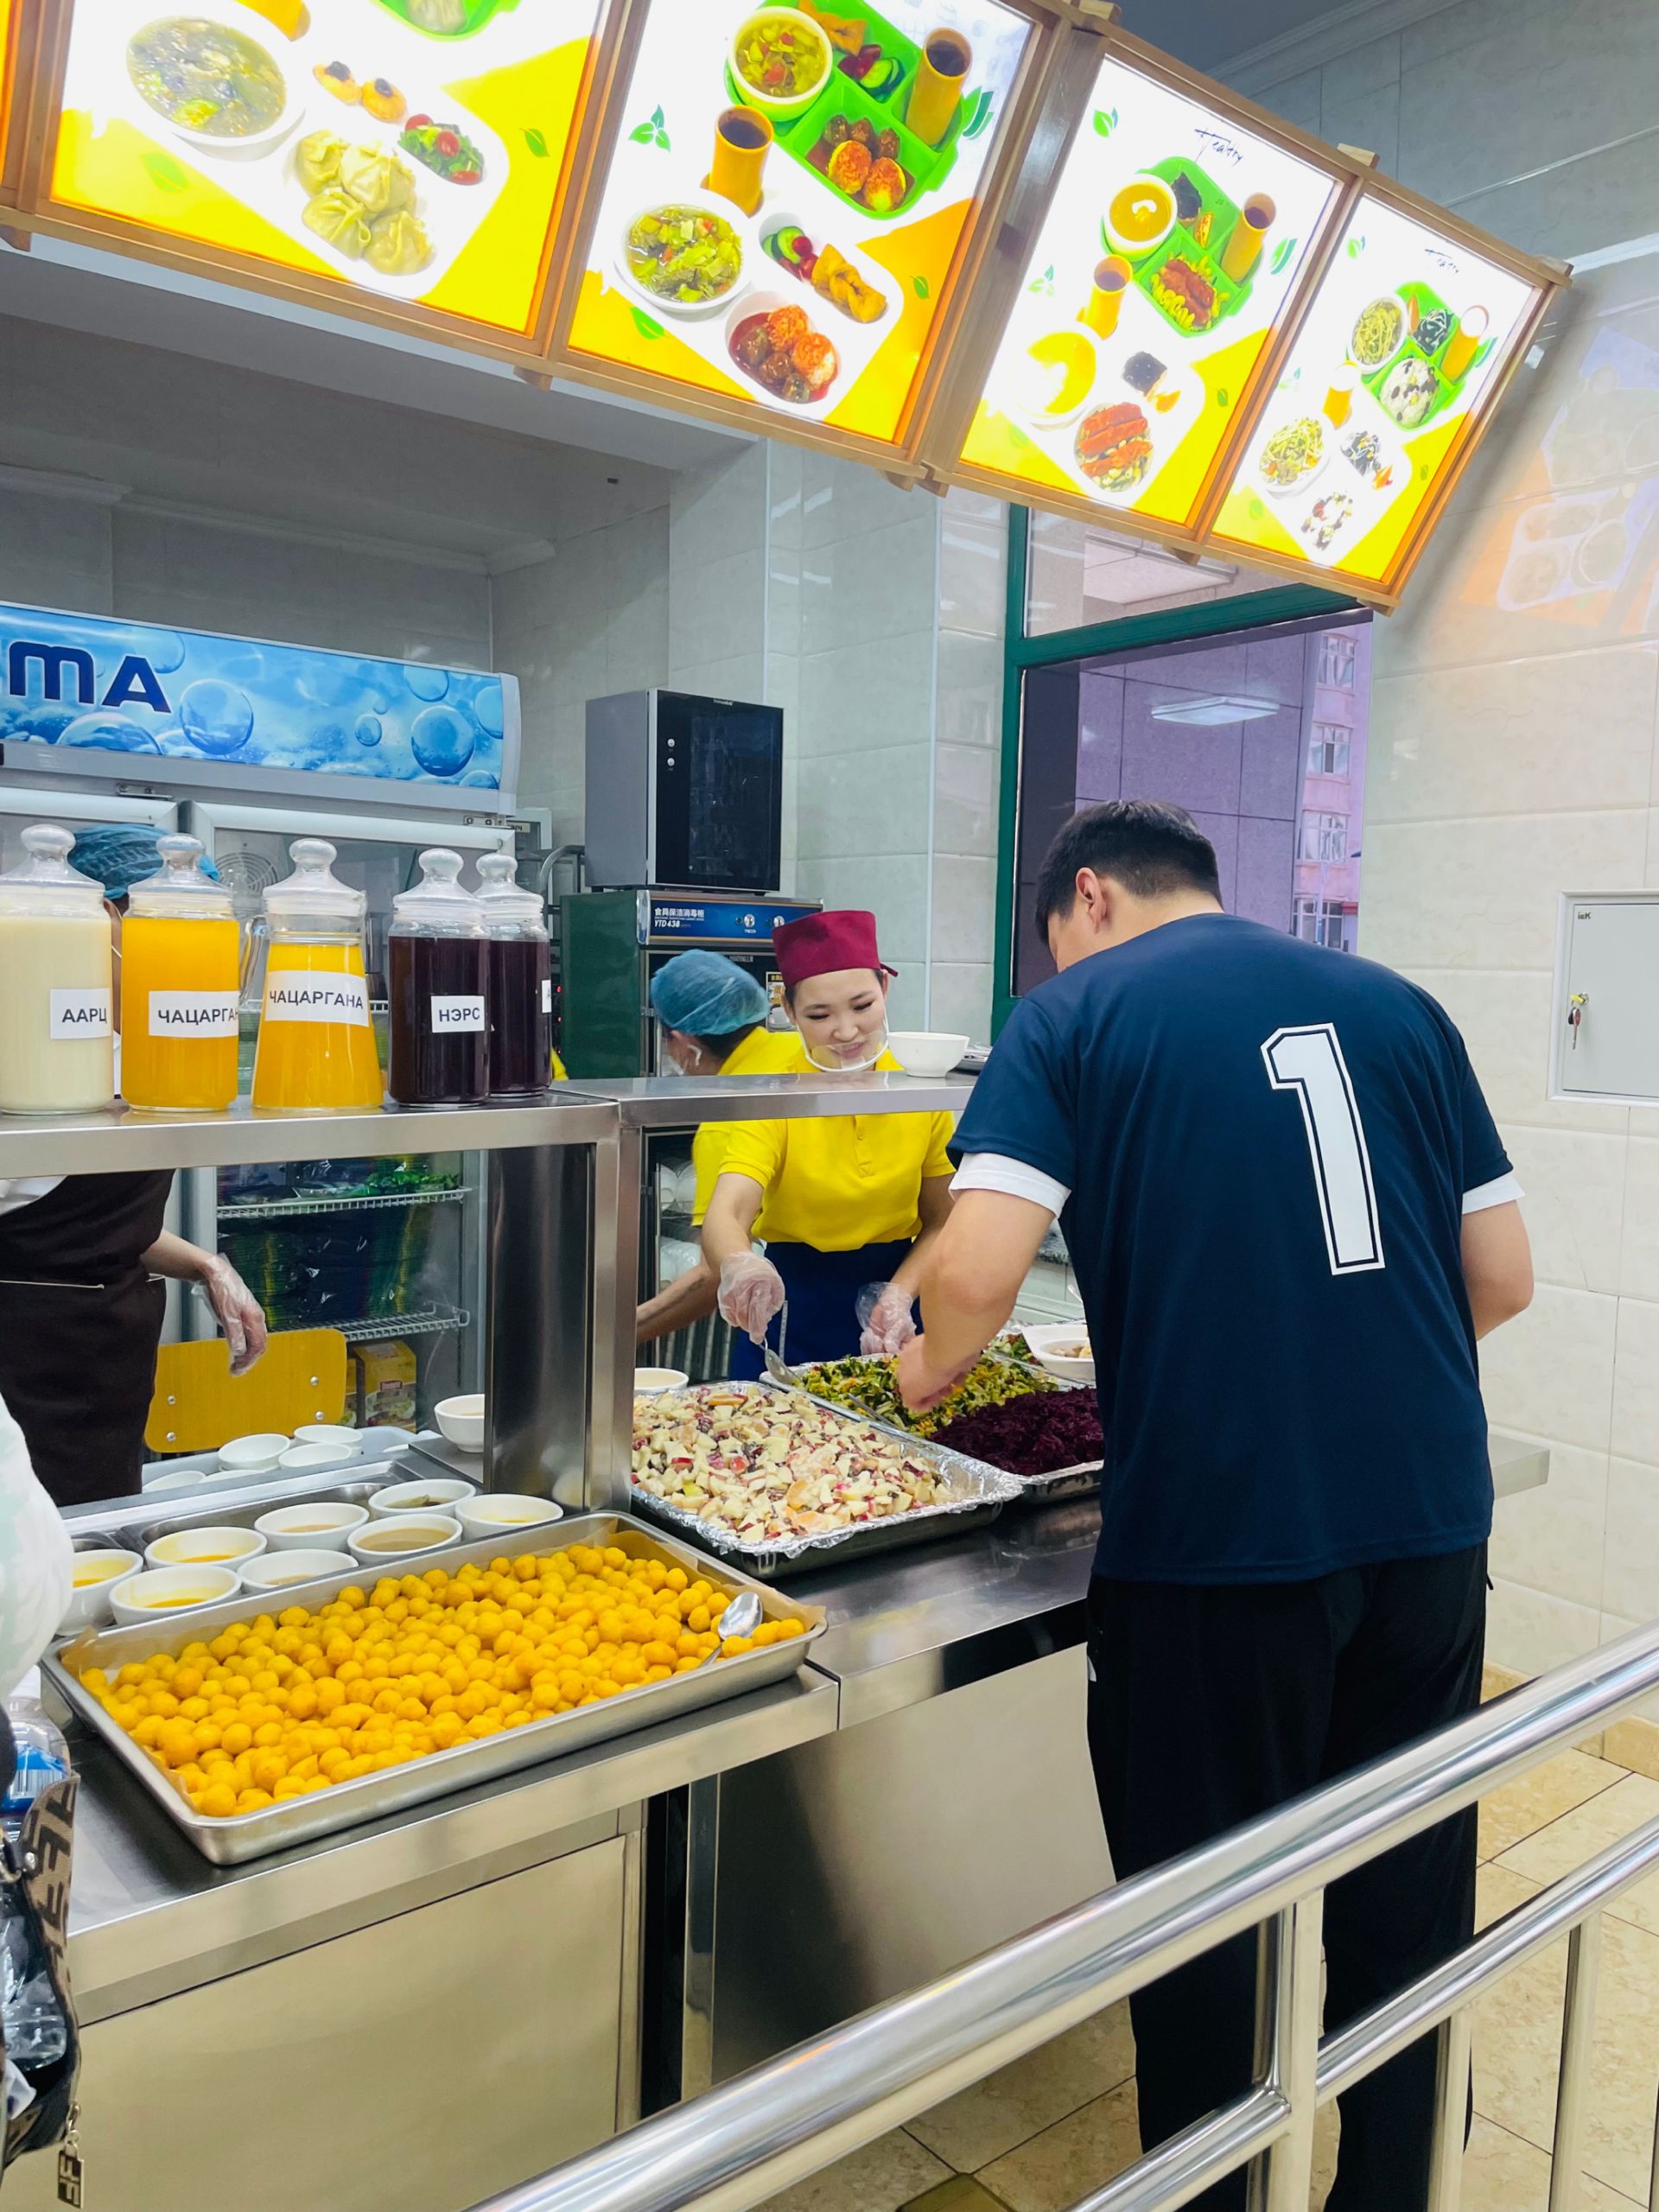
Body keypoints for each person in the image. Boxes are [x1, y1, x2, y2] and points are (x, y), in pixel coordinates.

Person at [897, 800, 1533, 2212]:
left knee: (1206, 1928)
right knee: (1405, 1900)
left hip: (1220, 1549)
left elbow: (979, 1273)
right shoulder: (1402, 1007)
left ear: (1088, 899)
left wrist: (926, 1369)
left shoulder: (1071, 1017)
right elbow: (1503, 1278)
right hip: (1433, 1525)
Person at [0, 826, 268, 1509]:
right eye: (174, 923)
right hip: (25, 1368)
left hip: (106, 1361)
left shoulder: (150, 1057)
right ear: (106, 920)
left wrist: (207, 1266)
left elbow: (80, 1222)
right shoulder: (27, 1051)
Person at [704, 911, 957, 1376]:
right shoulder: (779, 1092)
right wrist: (740, 1263)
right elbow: (728, 1212)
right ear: (788, 1010)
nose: (845, 1031)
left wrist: (900, 1294)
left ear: (885, 988)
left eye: (862, 1006)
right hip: (794, 1303)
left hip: (897, 1300)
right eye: (820, 1015)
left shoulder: (915, 1086)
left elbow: (943, 1218)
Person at [636, 950, 806, 1348]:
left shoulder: (727, 1119)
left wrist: (619, 1333)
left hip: (791, 1305)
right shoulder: (802, 1052)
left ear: (684, 1042)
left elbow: (715, 1273)